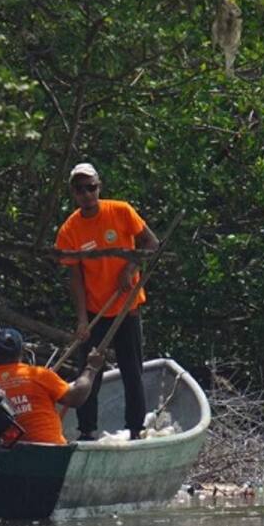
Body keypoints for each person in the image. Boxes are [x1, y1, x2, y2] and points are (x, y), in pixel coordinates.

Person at [55, 162, 159, 440]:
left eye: (91, 188)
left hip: (127, 305)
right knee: (89, 372)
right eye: (80, 189)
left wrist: (130, 269)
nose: (86, 194)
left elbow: (151, 243)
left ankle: (135, 429)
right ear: (73, 193)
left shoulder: (121, 211)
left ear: (99, 187)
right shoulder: (70, 229)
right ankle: (87, 431)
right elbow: (74, 277)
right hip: (94, 309)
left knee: (131, 370)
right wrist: (81, 319)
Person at [0, 327, 104, 445]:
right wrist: (91, 368)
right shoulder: (39, 374)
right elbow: (76, 398)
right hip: (49, 448)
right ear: (22, 352)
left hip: (8, 451)